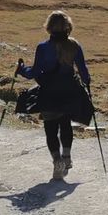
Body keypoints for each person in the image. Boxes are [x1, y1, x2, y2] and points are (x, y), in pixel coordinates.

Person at [16, 10, 92, 182]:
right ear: (68, 27)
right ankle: (67, 156)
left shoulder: (43, 48)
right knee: (65, 123)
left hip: (49, 92)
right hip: (70, 91)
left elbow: (33, 72)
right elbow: (83, 71)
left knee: (51, 129)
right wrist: (87, 83)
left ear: (49, 28)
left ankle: (57, 161)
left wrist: (21, 69)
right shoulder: (75, 46)